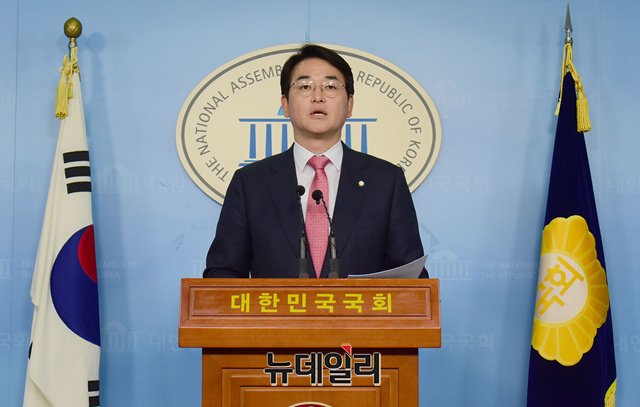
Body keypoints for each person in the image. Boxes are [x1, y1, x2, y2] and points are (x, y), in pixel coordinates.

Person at [203, 44, 426, 278]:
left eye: (330, 87)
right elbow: (222, 273)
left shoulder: (386, 181)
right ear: (285, 105)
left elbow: (411, 277)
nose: (318, 97)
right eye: (305, 87)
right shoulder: (250, 183)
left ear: (349, 105)